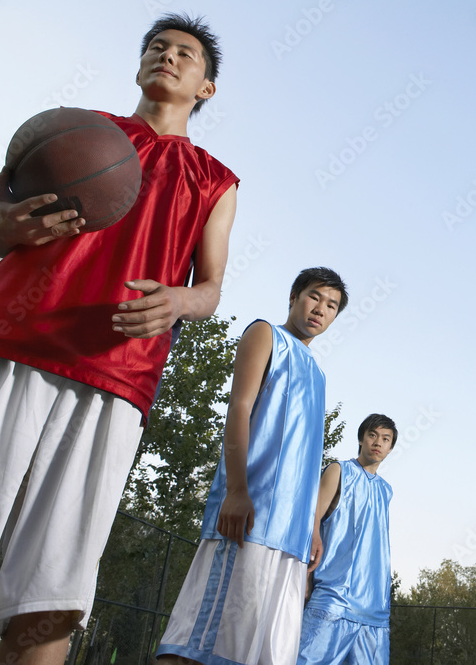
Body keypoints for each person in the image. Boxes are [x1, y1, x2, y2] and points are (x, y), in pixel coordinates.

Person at [0, 13, 238, 664]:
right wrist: (7, 224)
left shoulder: (216, 179)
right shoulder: (72, 134)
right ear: (139, 67)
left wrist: (179, 300)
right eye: (156, 47)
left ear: (206, 88)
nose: (167, 56)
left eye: (185, 53)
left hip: (114, 373)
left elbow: (210, 289)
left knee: (45, 608)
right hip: (1, 345)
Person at [156, 267, 348, 665]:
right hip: (250, 516)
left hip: (291, 536)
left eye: (331, 306)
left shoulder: (317, 371)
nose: (321, 310)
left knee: (255, 654)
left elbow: (306, 457)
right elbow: (239, 408)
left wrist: (311, 526)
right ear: (294, 295)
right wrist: (237, 490)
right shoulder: (265, 334)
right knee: (197, 644)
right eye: (315, 297)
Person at [297, 413, 397, 665]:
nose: (378, 442)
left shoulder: (386, 490)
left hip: (375, 609)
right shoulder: (339, 470)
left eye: (385, 439)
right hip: (334, 596)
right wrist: (305, 577)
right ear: (361, 438)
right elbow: (312, 525)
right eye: (372, 435)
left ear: (390, 447)